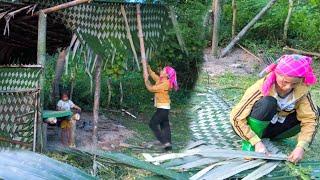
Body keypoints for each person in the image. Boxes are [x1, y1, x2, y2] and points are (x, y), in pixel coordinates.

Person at [230, 54, 319, 164]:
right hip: (252, 127)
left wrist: (301, 147)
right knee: (268, 103)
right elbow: (236, 118)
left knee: (315, 112)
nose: (288, 87)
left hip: (275, 128)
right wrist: (256, 142)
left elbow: (310, 120)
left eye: (294, 84)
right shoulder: (260, 87)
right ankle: (251, 144)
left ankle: (272, 137)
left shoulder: (303, 91)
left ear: (301, 81)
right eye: (285, 82)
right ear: (277, 73)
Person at [144, 65, 179, 151]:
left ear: (166, 75)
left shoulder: (165, 83)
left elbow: (152, 89)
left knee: (152, 124)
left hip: (163, 108)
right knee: (165, 126)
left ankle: (164, 142)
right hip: (164, 108)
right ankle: (168, 145)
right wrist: (148, 68)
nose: (161, 70)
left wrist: (146, 81)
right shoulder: (162, 80)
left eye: (163, 70)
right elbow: (154, 76)